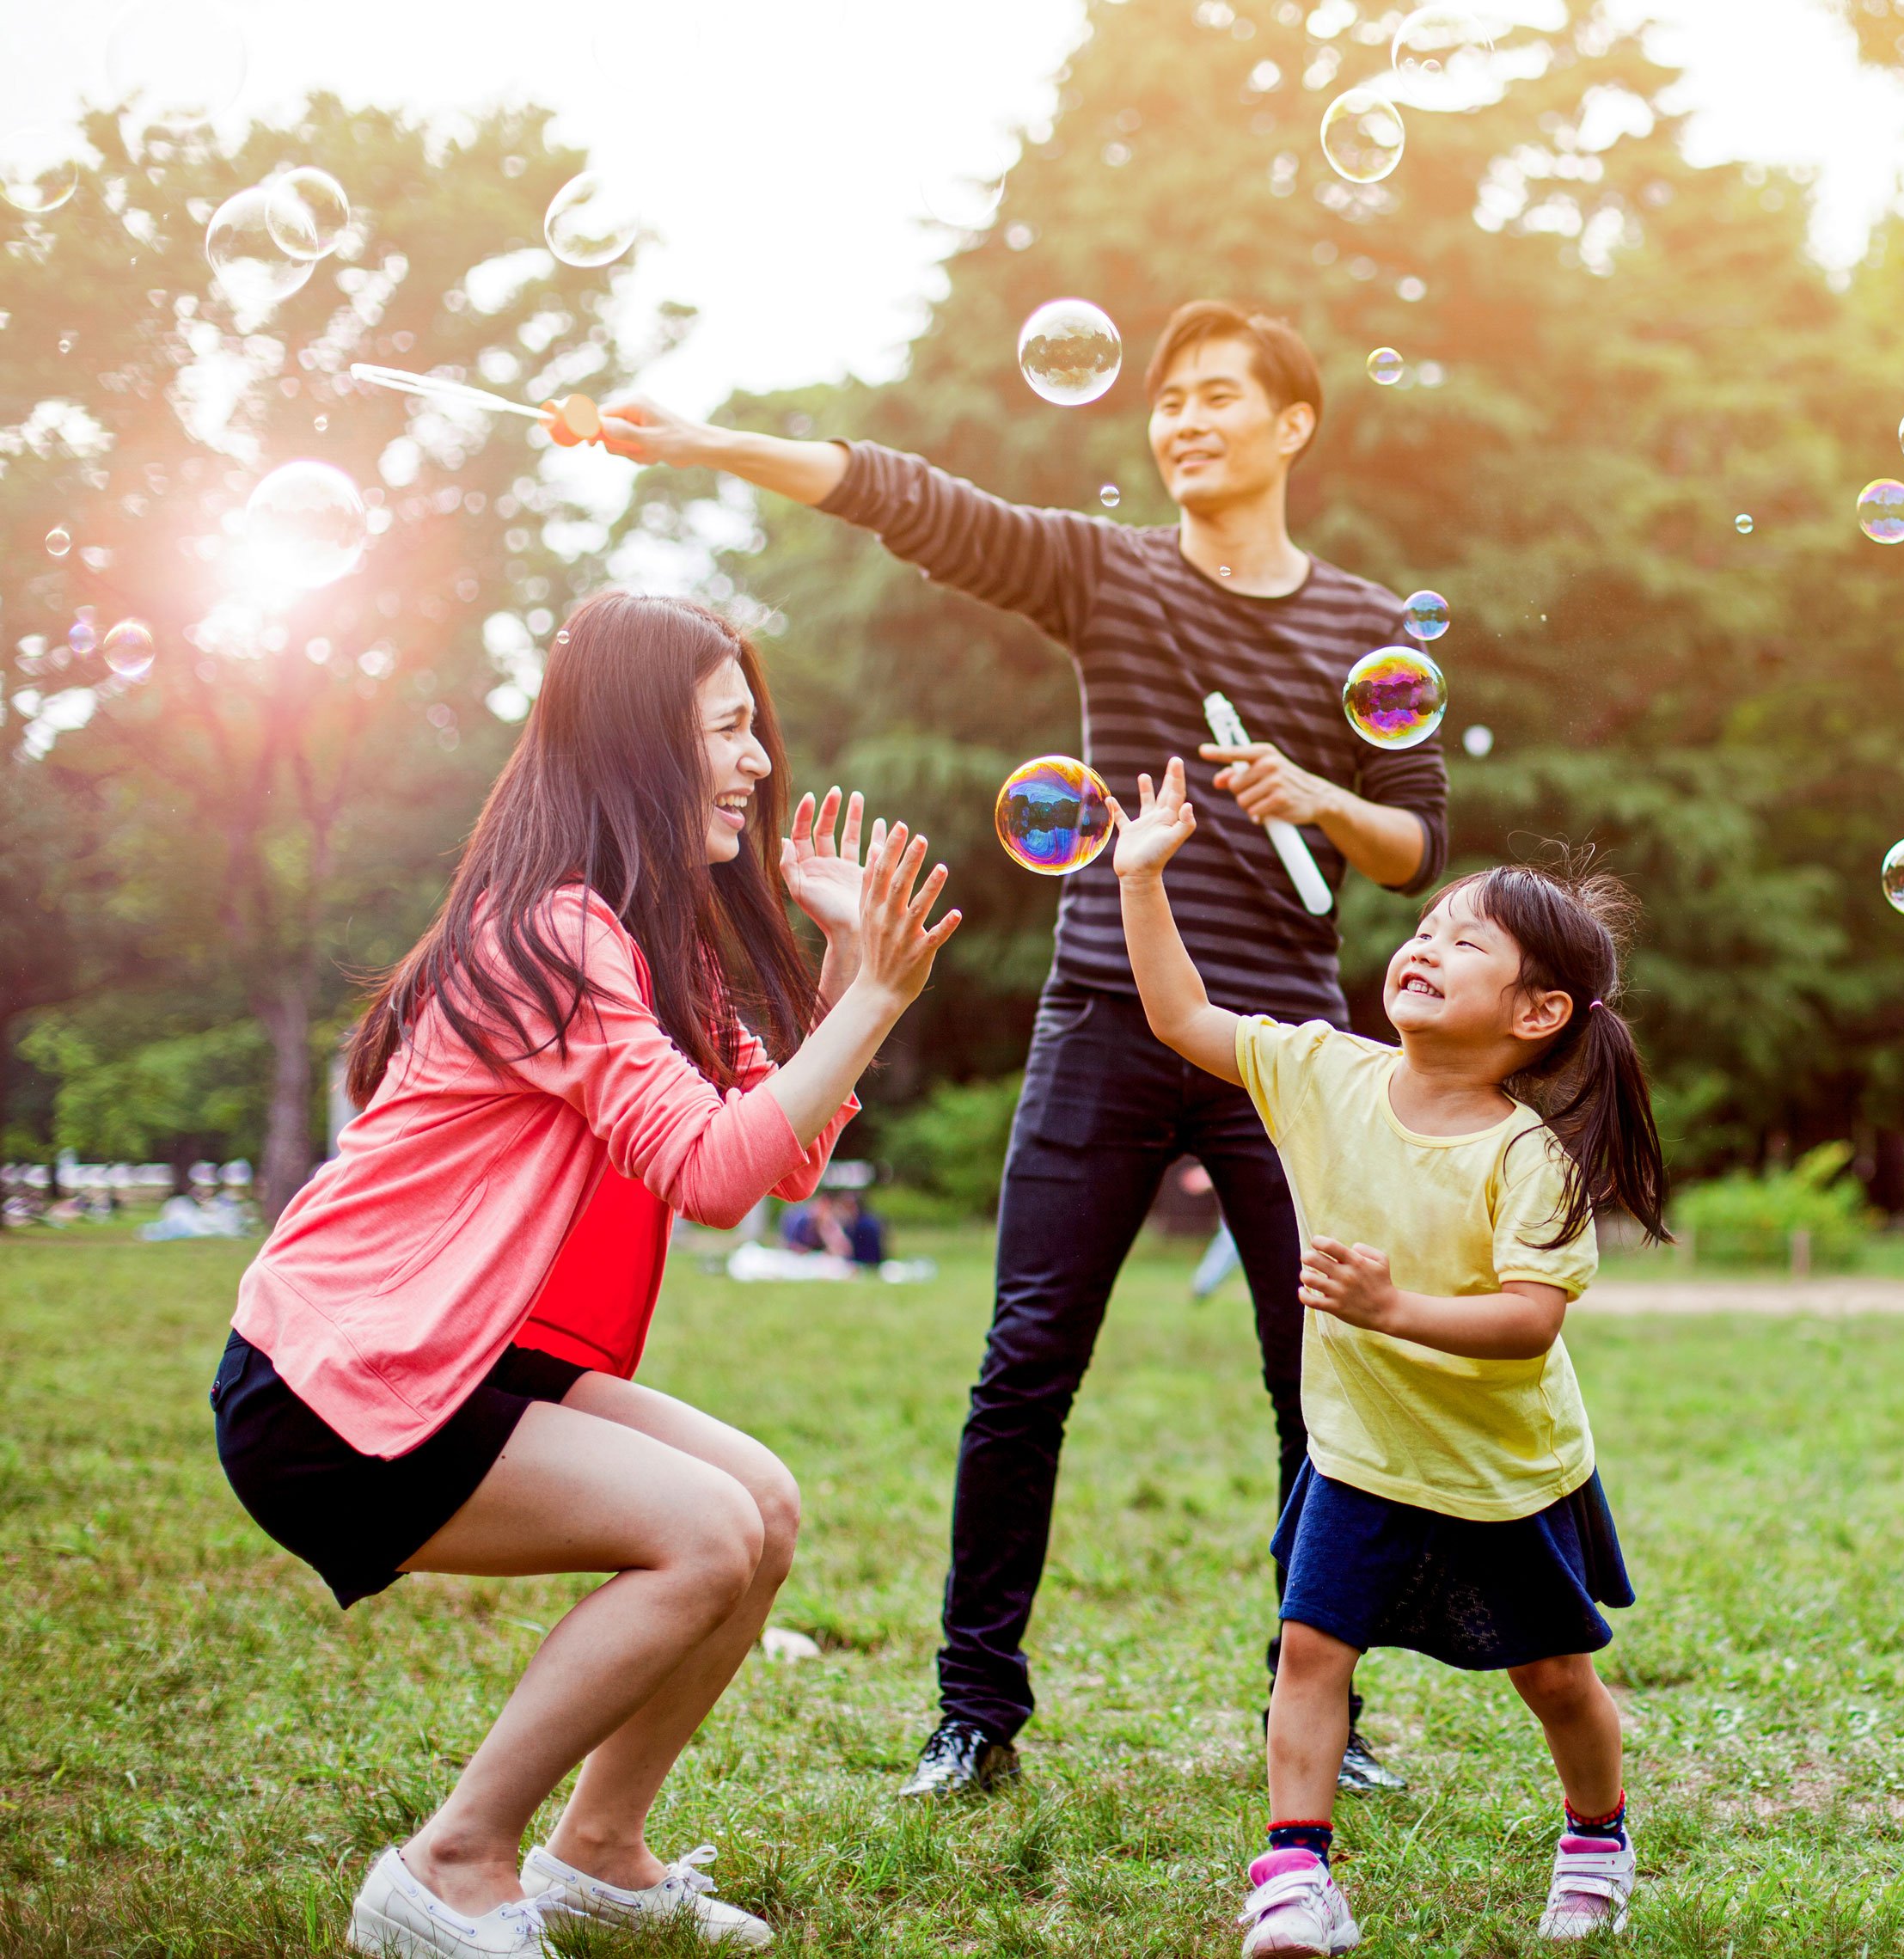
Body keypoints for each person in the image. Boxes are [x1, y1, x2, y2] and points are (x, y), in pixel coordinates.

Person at [599, 301, 1447, 1798]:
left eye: (1213, 399)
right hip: (1106, 1012)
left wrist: (1316, 793)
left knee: (1314, 1376)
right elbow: (909, 500)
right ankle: (973, 1713)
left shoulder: (1363, 624)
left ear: (1290, 427)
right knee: (1023, 1368)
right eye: (1165, 400)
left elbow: (1412, 843)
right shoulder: (1107, 574)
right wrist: (703, 444)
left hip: (1284, 1047)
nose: (1178, 420)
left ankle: (1320, 1706)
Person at [209, 593, 961, 1959]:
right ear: (637, 744)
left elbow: (775, 1161)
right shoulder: (559, 933)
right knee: (702, 1533)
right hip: (340, 1383)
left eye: (752, 731)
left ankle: (600, 1851)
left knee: (760, 1508)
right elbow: (715, 1176)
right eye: (726, 731)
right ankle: (450, 1860)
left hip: (464, 1357)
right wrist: (873, 1001)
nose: (756, 764)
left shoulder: (643, 938)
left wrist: (849, 962)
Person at [1109, 760, 1669, 1951]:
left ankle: (1594, 1833)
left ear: (1536, 1014)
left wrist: (1389, 1306)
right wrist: (1142, 880)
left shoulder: (1530, 1157)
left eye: (1463, 943)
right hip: (1361, 1453)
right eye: (1422, 927)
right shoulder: (1325, 1073)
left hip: (1500, 1466)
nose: (1423, 945)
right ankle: (1295, 1873)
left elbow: (1529, 1322)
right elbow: (1180, 1018)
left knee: (1554, 1679)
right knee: (1310, 1649)